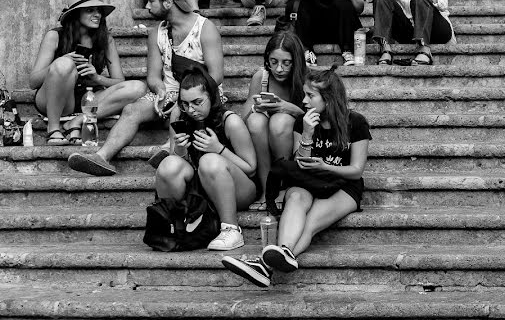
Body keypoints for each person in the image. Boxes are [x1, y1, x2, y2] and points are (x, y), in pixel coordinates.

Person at [220, 66, 370, 288]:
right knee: (296, 198)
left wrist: (326, 166)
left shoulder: (355, 122)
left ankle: (265, 266)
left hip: (344, 185)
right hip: (310, 181)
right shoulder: (304, 122)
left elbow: (356, 170)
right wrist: (308, 134)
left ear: (328, 99)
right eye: (304, 95)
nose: (304, 101)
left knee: (309, 224)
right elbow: (300, 163)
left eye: (310, 96)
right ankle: (278, 258)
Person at [68, 0, 223, 176]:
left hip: (202, 95)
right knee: (132, 109)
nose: (147, 6)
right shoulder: (156, 33)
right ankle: (102, 158)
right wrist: (159, 90)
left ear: (168, 2)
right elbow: (153, 76)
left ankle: (170, 149)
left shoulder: (205, 28)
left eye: (151, 1)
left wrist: (183, 98)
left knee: (178, 109)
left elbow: (216, 76)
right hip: (167, 94)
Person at [155, 68, 256, 251]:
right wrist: (179, 149)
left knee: (210, 160)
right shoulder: (180, 118)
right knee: (168, 165)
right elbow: (177, 168)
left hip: (239, 188)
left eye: (197, 102)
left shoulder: (230, 121)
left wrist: (219, 149)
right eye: (184, 104)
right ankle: (173, 226)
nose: (191, 109)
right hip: (201, 188)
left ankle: (232, 230)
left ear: (212, 96)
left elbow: (251, 168)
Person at [30, 0, 146, 144]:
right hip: (57, 99)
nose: (97, 14)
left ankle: (76, 122)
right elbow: (33, 82)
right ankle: (53, 129)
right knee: (64, 64)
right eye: (90, 10)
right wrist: (61, 62)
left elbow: (120, 81)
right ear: (75, 14)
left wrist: (97, 78)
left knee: (138, 88)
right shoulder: (55, 36)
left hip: (89, 100)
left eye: (99, 11)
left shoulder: (106, 40)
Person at [241, 31, 309, 209]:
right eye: (274, 62)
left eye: (286, 63)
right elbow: (244, 118)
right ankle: (266, 190)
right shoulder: (261, 78)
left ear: (297, 61)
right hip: (262, 144)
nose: (279, 69)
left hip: (293, 142)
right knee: (255, 122)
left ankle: (283, 188)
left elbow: (319, 118)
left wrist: (288, 108)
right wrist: (257, 107)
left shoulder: (307, 79)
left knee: (280, 121)